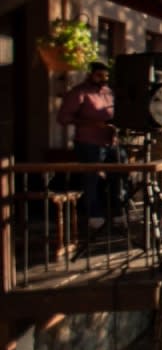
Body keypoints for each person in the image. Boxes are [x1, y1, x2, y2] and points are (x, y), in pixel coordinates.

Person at [56, 61, 118, 230]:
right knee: (92, 179)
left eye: (106, 76)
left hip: (111, 142)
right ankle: (94, 216)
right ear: (90, 74)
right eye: (99, 75)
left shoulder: (109, 92)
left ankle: (118, 213)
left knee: (119, 176)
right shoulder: (79, 92)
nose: (103, 79)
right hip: (89, 142)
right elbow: (63, 118)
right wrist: (90, 123)